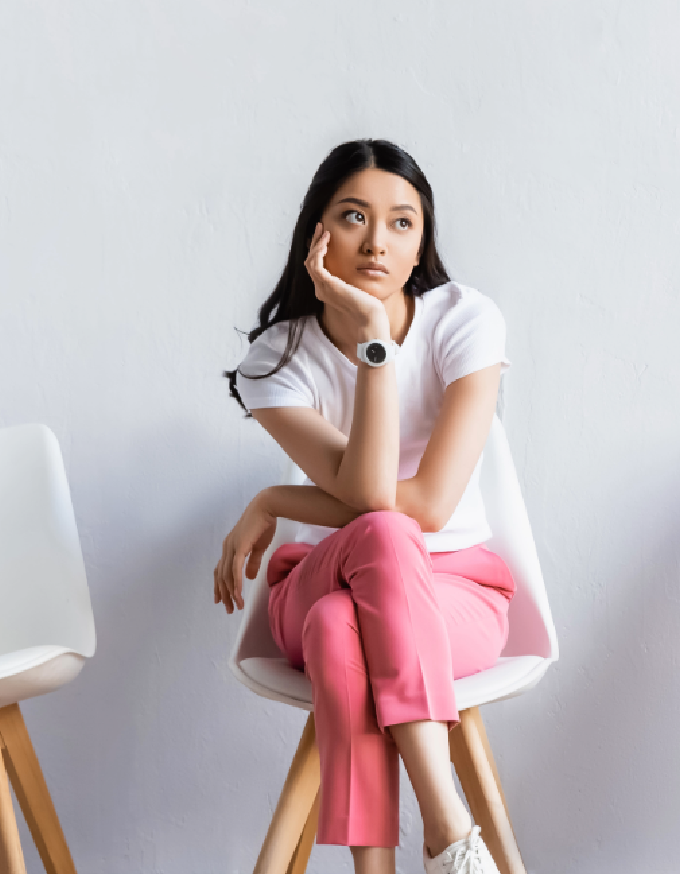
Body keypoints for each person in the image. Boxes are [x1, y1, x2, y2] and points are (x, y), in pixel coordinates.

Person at [214, 139, 511, 874]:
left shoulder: (464, 322)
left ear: (422, 245)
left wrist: (280, 497)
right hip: (322, 572)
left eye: (402, 223)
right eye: (354, 217)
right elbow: (376, 500)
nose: (378, 242)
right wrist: (375, 345)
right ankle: (448, 829)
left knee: (342, 628)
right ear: (317, 233)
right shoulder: (276, 360)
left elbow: (428, 506)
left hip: (457, 594)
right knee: (373, 540)